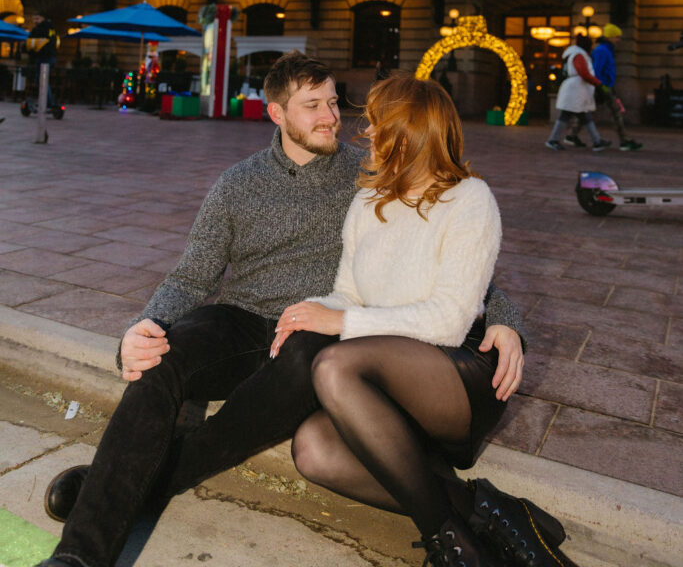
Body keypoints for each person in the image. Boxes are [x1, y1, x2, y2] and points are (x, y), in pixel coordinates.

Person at [36, 51, 526, 567]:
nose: (331, 117)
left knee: (305, 351)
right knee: (164, 356)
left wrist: (503, 317)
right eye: (312, 105)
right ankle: (77, 558)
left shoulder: (367, 177)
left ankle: (110, 490)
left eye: (334, 103)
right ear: (276, 114)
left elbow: (455, 263)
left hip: (316, 332)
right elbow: (190, 276)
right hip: (243, 321)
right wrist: (144, 326)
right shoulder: (236, 185)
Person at [270, 73, 577, 567]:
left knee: (333, 365)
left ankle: (449, 544)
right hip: (385, 376)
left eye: (376, 124)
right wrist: (310, 310)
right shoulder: (368, 200)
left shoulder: (469, 200)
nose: (366, 134)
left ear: (409, 131)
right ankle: (483, 512)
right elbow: (348, 293)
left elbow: (449, 321)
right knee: (312, 449)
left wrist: (340, 322)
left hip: (456, 377)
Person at [567, 24, 642, 151]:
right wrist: (601, 86)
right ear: (610, 37)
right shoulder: (603, 50)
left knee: (587, 111)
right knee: (615, 112)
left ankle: (572, 135)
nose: (619, 40)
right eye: (617, 37)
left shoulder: (605, 49)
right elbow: (597, 70)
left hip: (603, 86)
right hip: (603, 86)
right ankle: (624, 141)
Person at [545, 34, 610, 151]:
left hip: (576, 90)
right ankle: (553, 140)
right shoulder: (579, 55)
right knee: (577, 115)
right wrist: (598, 83)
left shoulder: (577, 54)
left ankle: (596, 140)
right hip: (576, 90)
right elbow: (584, 73)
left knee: (580, 115)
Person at [26, 11, 59, 109]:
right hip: (49, 57)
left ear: (43, 18)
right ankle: (45, 100)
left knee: (42, 80)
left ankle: (48, 102)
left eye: (37, 19)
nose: (35, 21)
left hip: (44, 57)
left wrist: (31, 52)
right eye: (34, 19)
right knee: (42, 80)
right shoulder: (51, 28)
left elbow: (31, 43)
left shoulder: (41, 29)